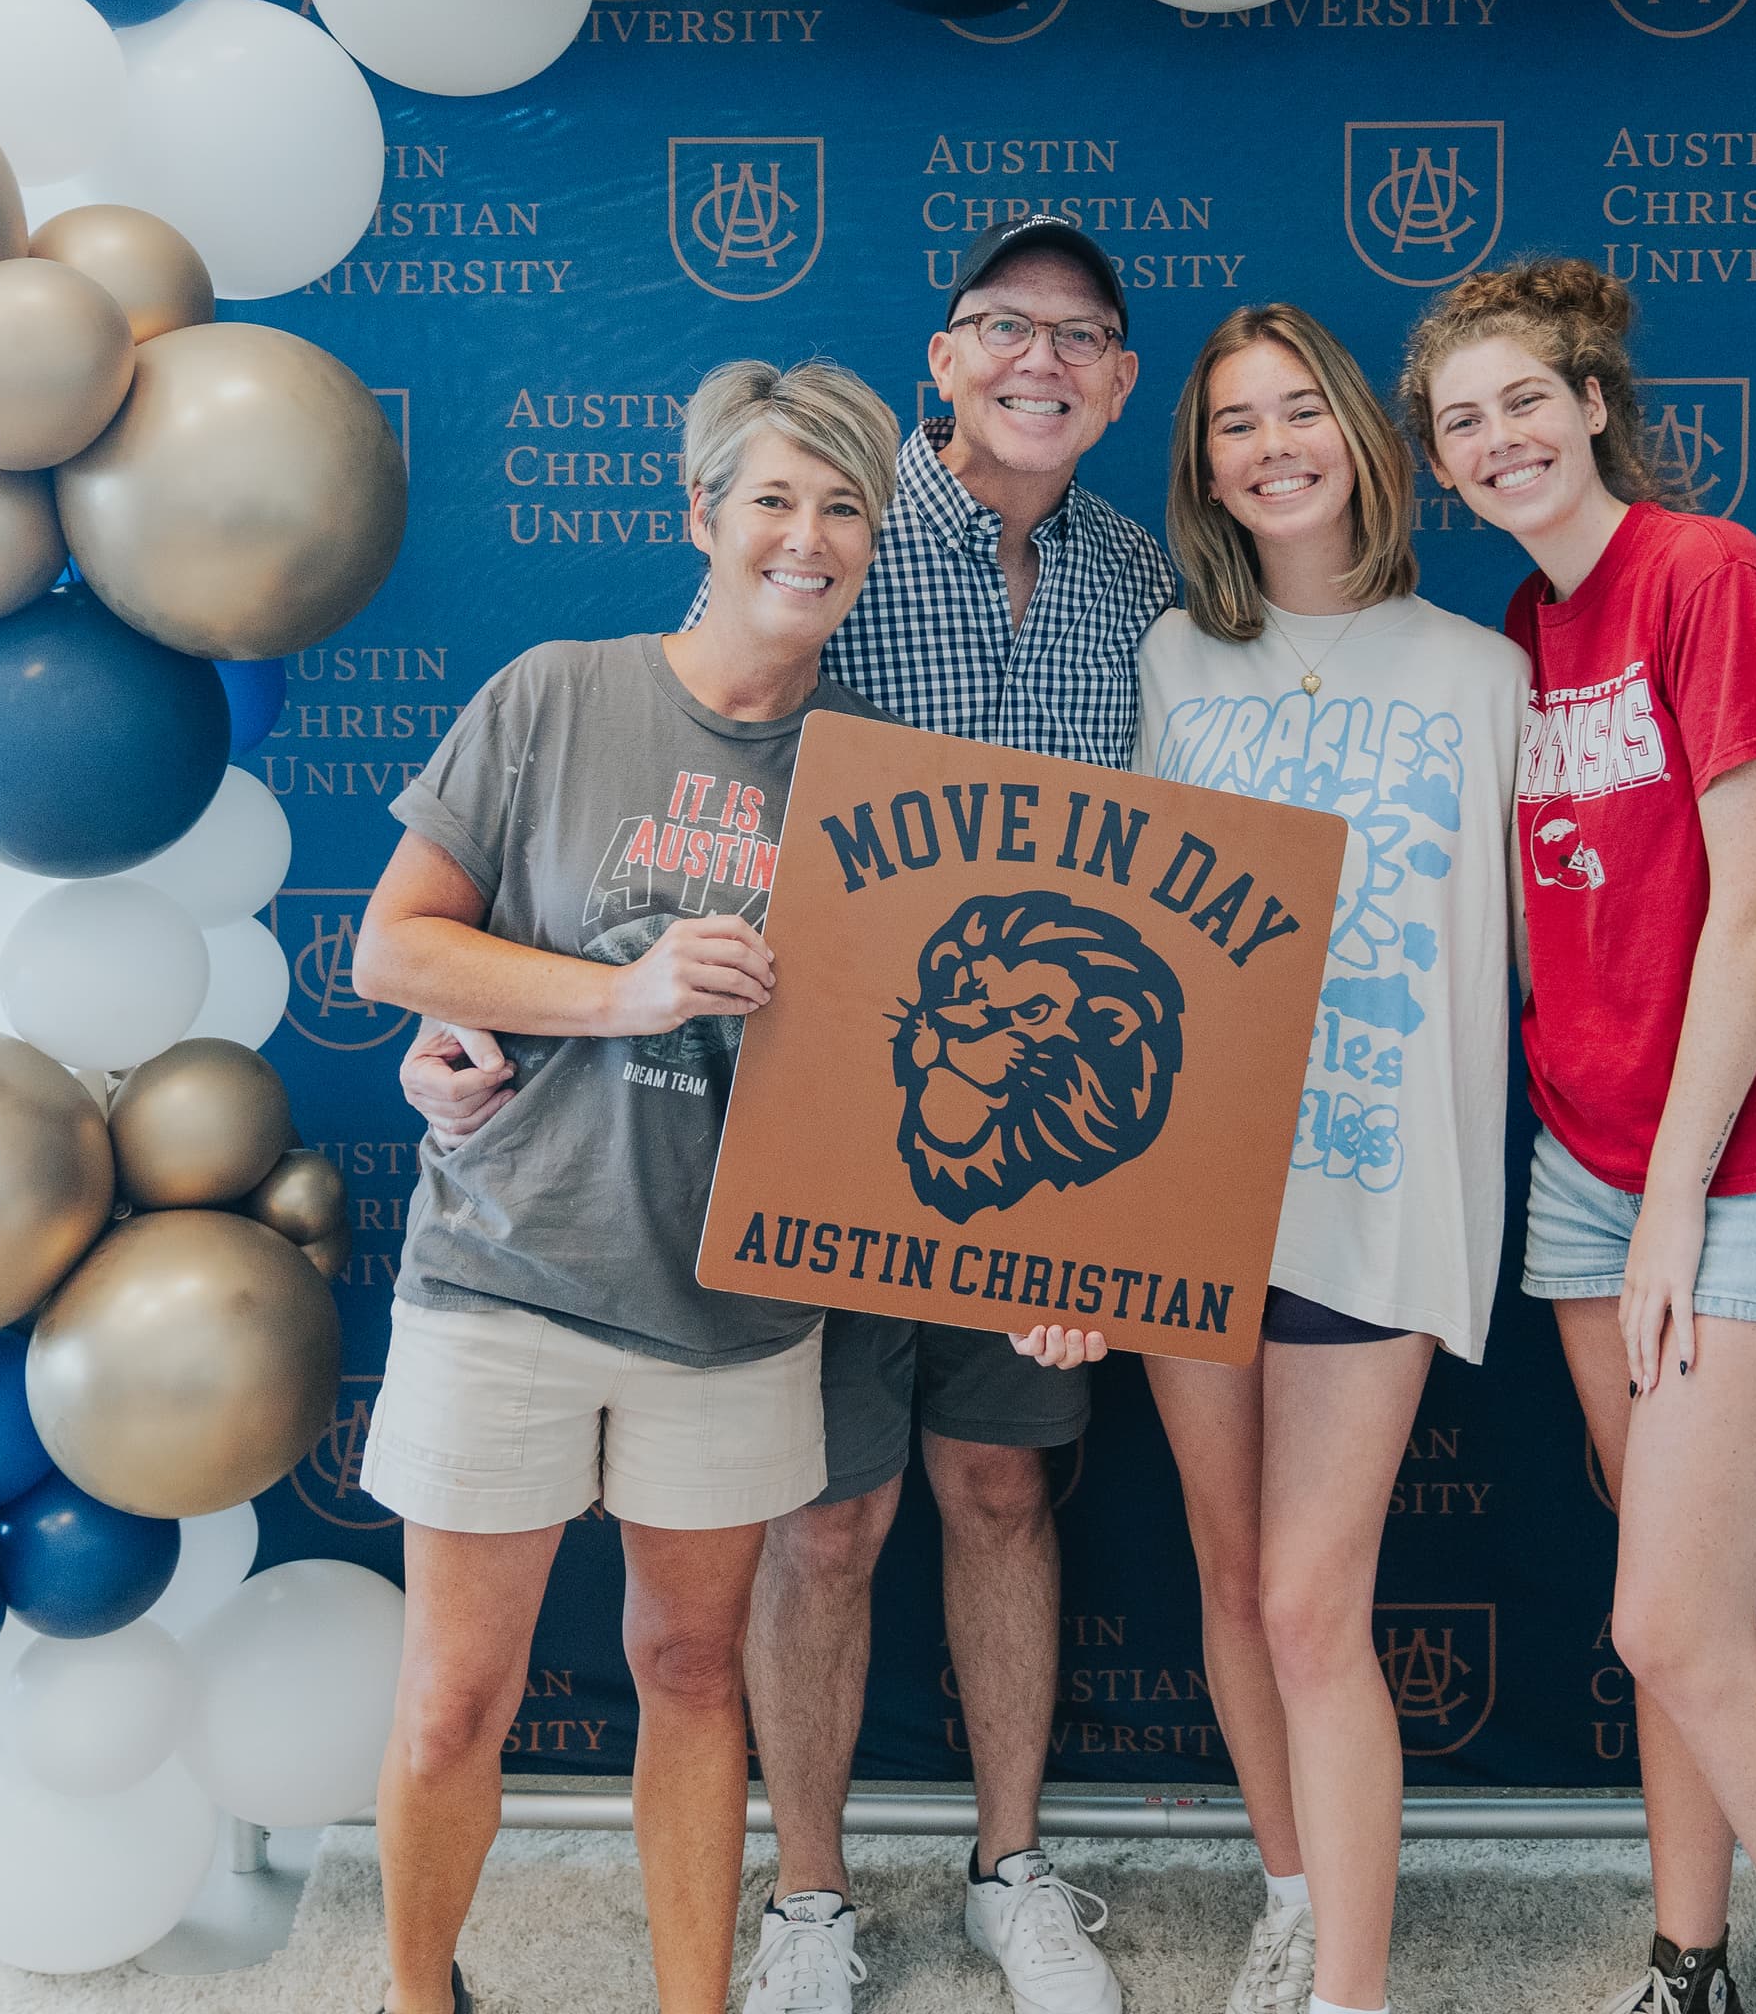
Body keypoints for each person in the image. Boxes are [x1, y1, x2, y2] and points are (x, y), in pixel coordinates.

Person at [398, 216, 1177, 2014]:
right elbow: (608, 823)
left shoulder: (1143, 578)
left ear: (1120, 380)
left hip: (1020, 1135)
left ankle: (1011, 1865)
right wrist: (464, 1024)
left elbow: (1167, 897)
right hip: (789, 1138)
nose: (1038, 361)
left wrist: (1114, 1219)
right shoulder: (838, 518)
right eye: (1001, 327)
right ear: (942, 358)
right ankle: (808, 1898)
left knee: (1000, 1485)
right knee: (828, 1518)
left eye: (1079, 337)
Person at [350, 359, 905, 2014]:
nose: (806, 539)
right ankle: (414, 1997)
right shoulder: (556, 693)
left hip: (730, 1307)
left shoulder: (885, 782)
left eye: (844, 512)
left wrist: (1045, 1261)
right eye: (775, 502)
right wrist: (621, 992)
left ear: (873, 548)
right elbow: (395, 944)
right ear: (704, 521)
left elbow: (911, 1081)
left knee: (687, 1671)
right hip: (507, 1268)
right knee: (457, 1693)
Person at [1401, 261, 1756, 2014]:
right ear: (1444, 467)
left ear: (1595, 402)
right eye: (1463, 424)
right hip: (1592, 1165)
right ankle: (1688, 1964)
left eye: (1524, 401)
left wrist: (1676, 1206)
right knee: (1669, 1612)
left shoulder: (1709, 578)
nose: (1499, 439)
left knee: (1673, 1626)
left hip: (1749, 1178)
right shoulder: (1531, 634)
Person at [1008, 303, 1524, 2014]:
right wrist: (1087, 1225)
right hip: (1199, 1197)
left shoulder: (1481, 672)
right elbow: (1111, 949)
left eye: (1303, 411)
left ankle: (1351, 1993)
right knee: (1234, 1580)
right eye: (1237, 423)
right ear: (1204, 464)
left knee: (1316, 1604)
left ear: (1366, 443)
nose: (1273, 445)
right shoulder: (1170, 666)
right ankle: (1296, 1894)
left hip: (1378, 1195)